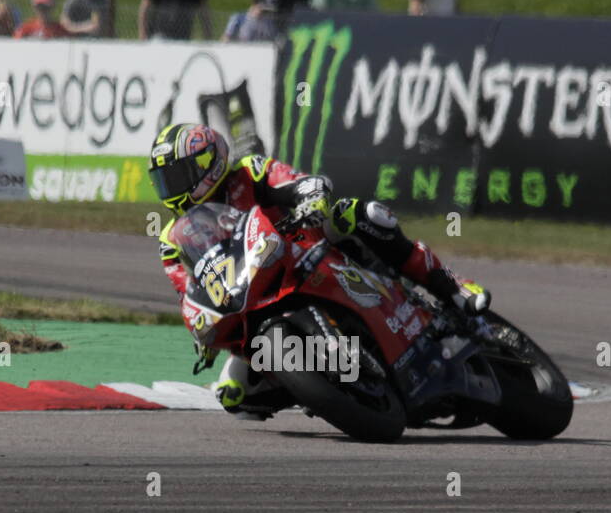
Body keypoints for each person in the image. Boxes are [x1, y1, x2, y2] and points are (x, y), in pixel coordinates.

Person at [147, 123, 491, 414]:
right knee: (234, 395)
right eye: (164, 180)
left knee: (363, 214)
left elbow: (296, 182)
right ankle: (323, 388)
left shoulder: (249, 173)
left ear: (209, 163)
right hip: (250, 291)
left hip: (305, 243)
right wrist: (203, 329)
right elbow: (188, 290)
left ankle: (451, 285)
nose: (172, 187)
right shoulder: (173, 238)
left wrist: (310, 193)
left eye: (178, 175)